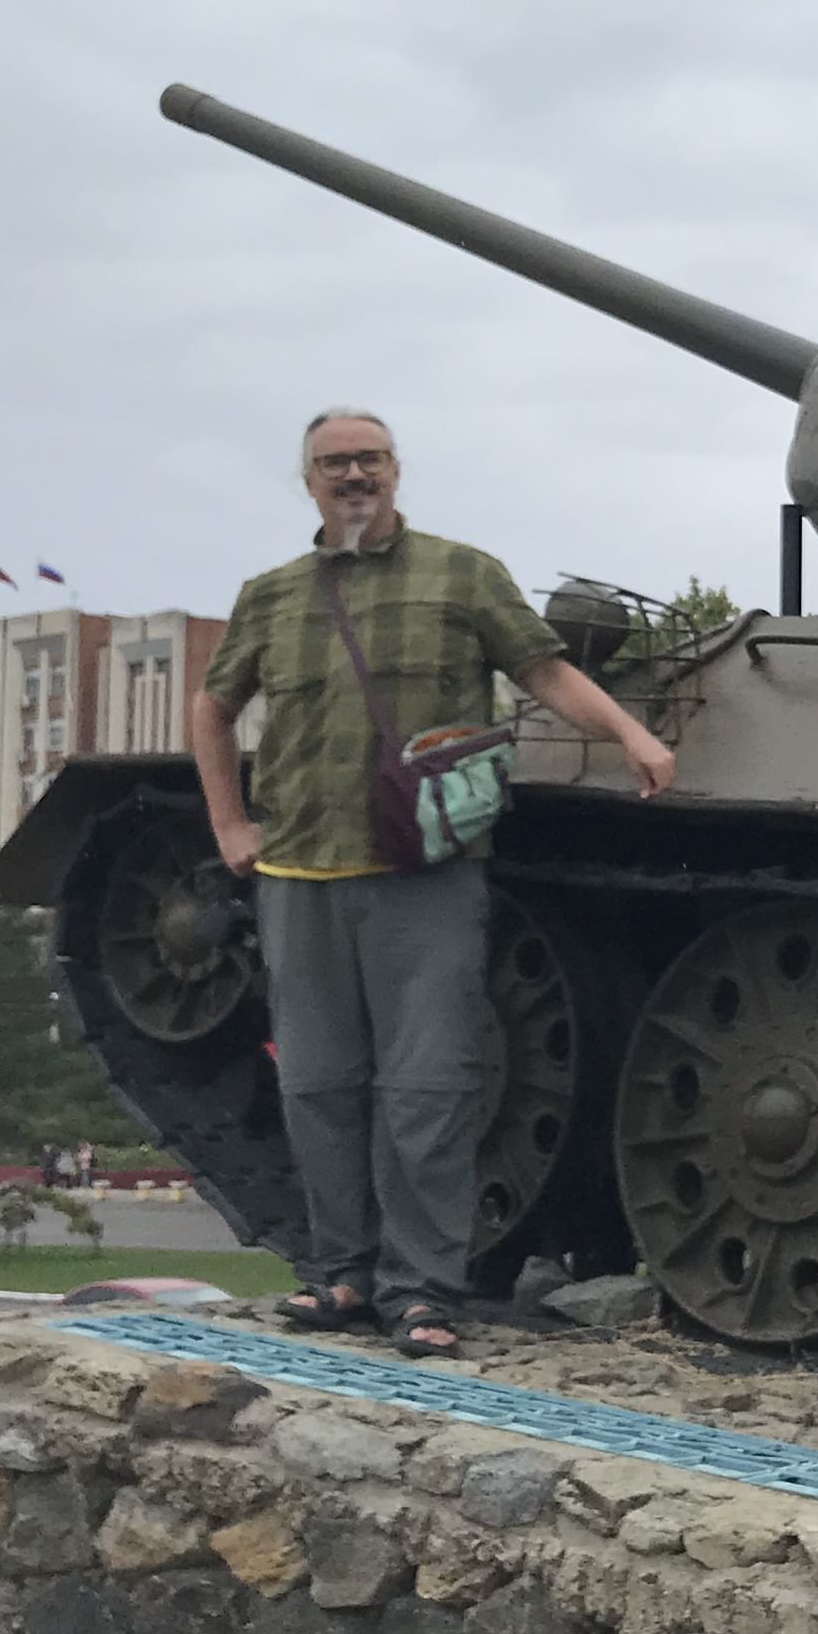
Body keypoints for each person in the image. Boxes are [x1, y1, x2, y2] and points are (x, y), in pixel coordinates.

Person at [189, 407, 673, 1360]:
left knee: (430, 1087)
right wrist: (228, 823)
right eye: (334, 463)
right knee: (321, 1086)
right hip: (299, 867)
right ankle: (340, 1275)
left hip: (425, 869)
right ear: (309, 481)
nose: (353, 474)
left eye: (368, 458)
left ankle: (421, 1290)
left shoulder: (463, 573)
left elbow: (544, 672)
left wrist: (629, 733)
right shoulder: (273, 595)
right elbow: (213, 708)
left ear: (397, 470)